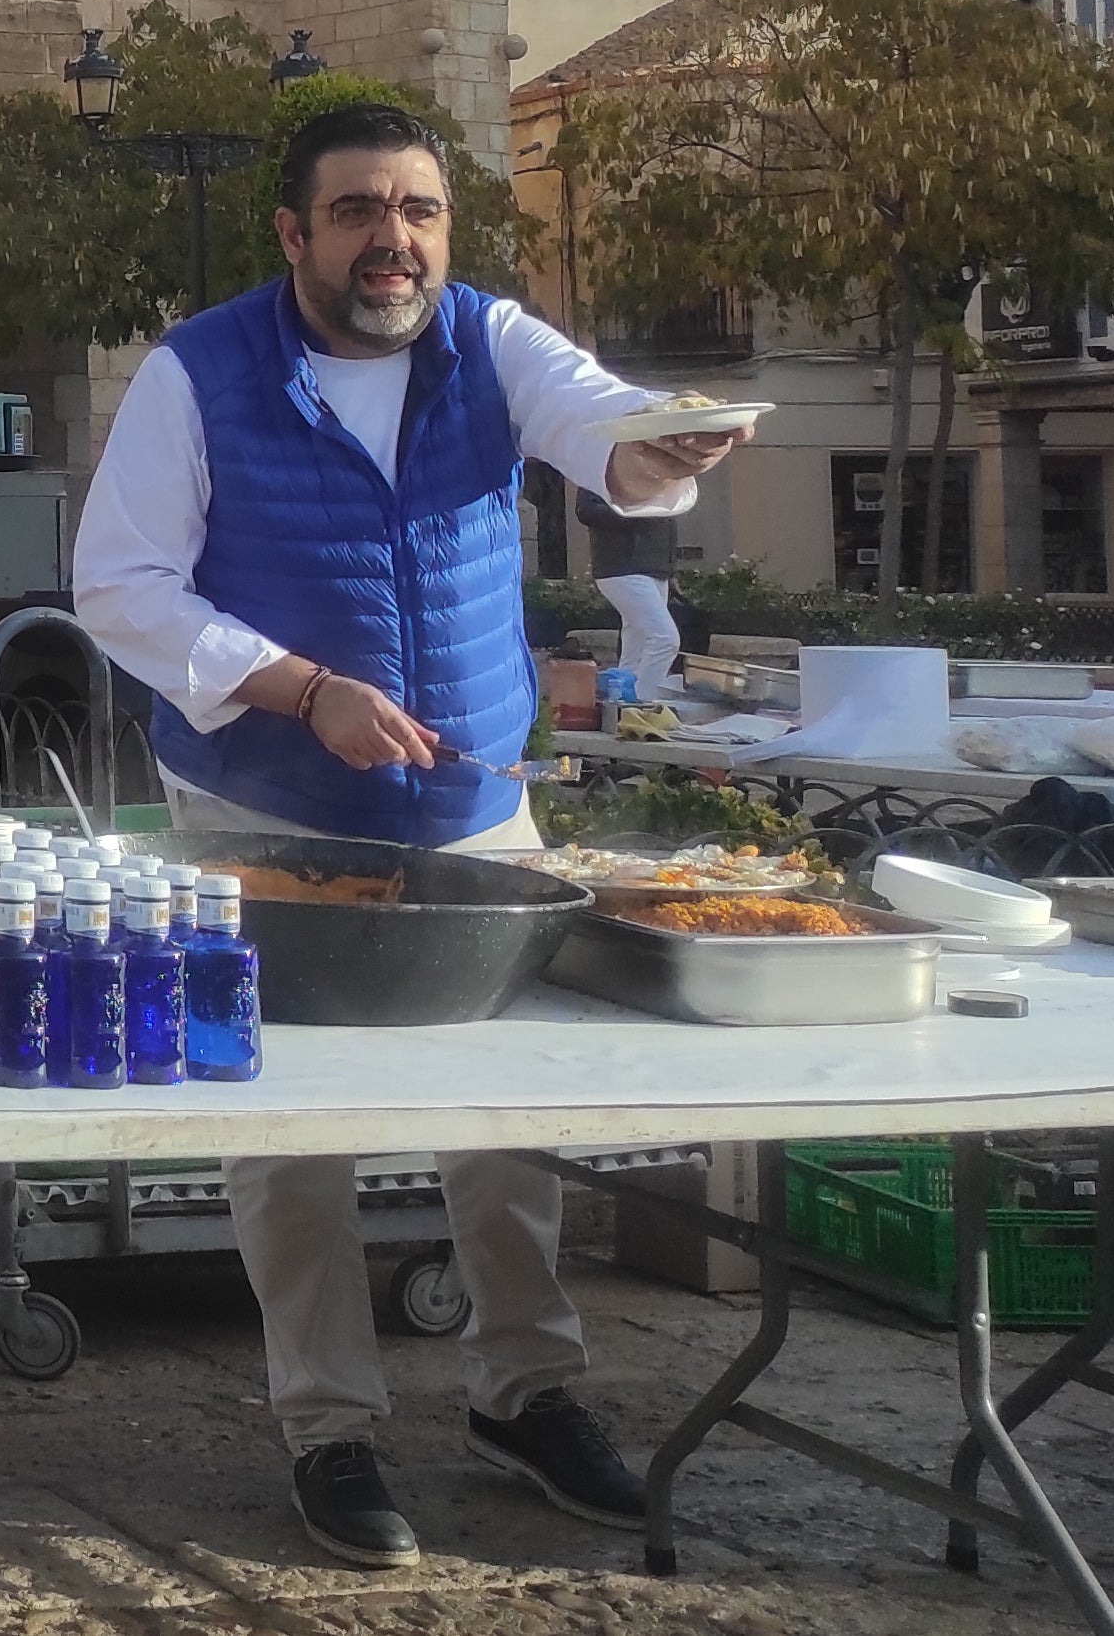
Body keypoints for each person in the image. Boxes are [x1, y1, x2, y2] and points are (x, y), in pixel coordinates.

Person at [75, 101, 743, 1572]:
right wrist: (299, 689)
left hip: (470, 802)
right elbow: (118, 585)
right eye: (363, 210)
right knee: (289, 1130)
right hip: (265, 804)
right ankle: (330, 1424)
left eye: (421, 210)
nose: (396, 239)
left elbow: (606, 434)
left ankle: (529, 1391)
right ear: (295, 231)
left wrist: (657, 456)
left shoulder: (490, 342)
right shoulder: (199, 372)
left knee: (503, 1113)